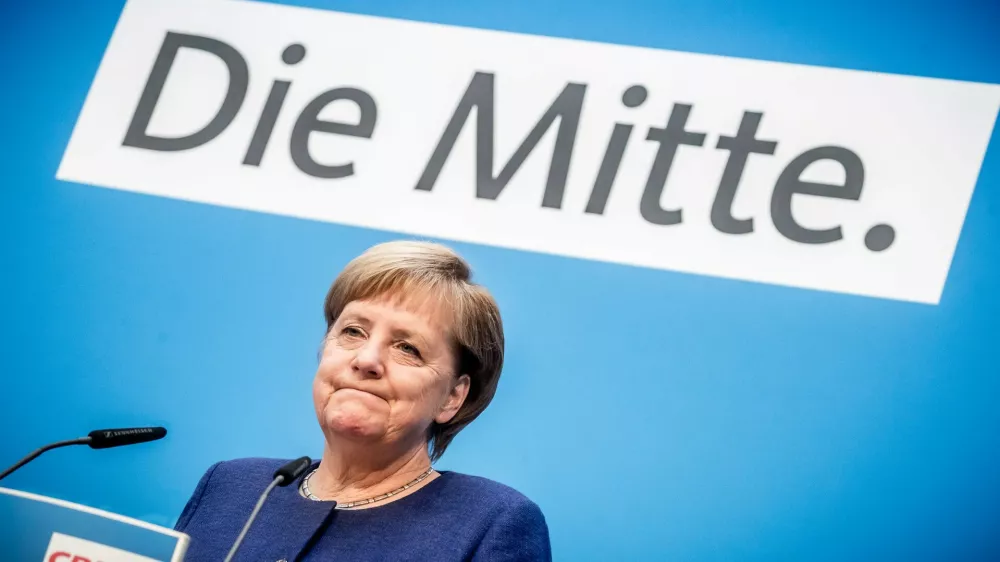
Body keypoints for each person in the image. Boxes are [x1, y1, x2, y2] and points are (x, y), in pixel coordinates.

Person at [174, 240, 551, 561]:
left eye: (407, 348)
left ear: (452, 397)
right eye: (353, 331)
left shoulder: (490, 523)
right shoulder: (231, 486)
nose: (367, 359)